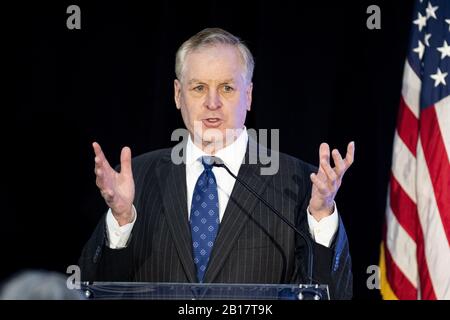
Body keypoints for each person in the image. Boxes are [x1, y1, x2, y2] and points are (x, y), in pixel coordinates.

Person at [79, 28, 354, 299]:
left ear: (248, 96)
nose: (213, 102)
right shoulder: (136, 178)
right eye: (199, 88)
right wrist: (122, 220)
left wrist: (320, 218)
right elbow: (92, 291)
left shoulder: (299, 183)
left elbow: (335, 294)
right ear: (177, 94)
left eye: (227, 88)